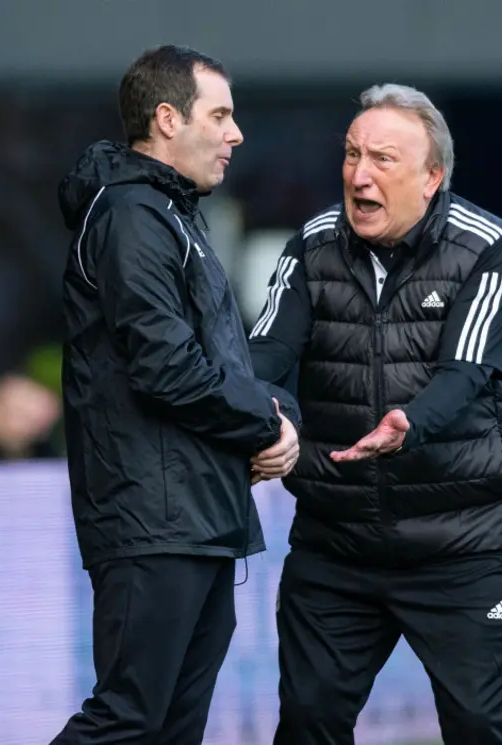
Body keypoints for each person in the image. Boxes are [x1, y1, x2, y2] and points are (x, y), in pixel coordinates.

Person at [249, 83, 502, 745]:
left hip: (462, 543)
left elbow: (465, 374)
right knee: (308, 722)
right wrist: (249, 411)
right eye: (352, 155)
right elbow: (265, 352)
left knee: (476, 727)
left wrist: (413, 420)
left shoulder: (490, 247)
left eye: (382, 159)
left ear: (433, 176)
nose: (358, 175)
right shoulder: (310, 244)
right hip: (336, 544)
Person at [50, 45, 300, 745]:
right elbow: (167, 369)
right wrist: (265, 421)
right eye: (219, 115)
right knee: (129, 718)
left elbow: (213, 362)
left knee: (168, 728)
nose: (236, 133)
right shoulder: (133, 216)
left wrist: (277, 418)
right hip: (153, 517)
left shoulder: (167, 213)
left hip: (192, 513)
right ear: (167, 119)